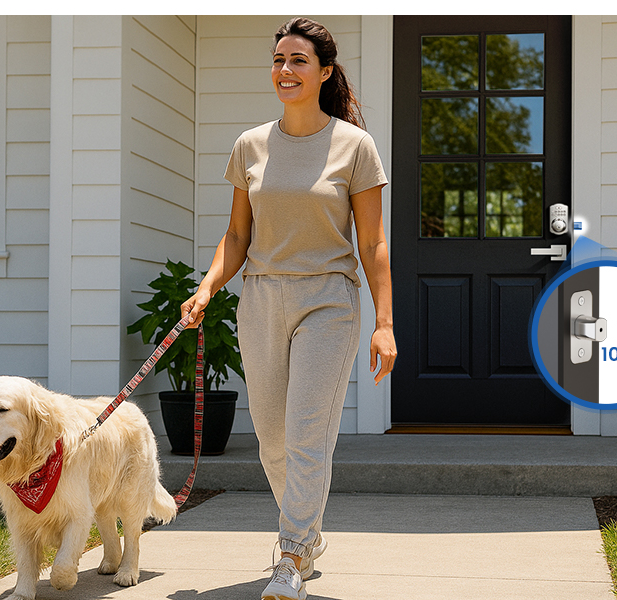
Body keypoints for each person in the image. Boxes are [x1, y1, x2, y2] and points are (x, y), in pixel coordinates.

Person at [180, 17, 397, 600]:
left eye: (298, 60)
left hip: (328, 300)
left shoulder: (355, 147)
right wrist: (206, 288)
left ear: (325, 73)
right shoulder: (250, 145)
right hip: (262, 298)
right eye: (279, 59)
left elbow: (373, 243)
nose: (285, 70)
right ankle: (308, 530)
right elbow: (235, 234)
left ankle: (291, 553)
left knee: (304, 434)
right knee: (272, 442)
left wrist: (384, 323)